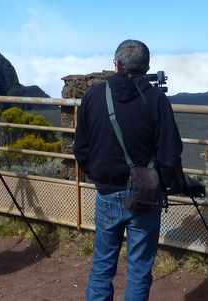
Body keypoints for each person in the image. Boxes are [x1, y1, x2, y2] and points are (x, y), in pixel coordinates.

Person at [75, 40, 186, 301]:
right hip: (145, 194)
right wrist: (161, 182)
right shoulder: (156, 99)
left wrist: (98, 176)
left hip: (107, 192)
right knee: (139, 268)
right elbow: (171, 152)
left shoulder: (93, 96)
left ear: (116, 65)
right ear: (146, 67)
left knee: (102, 266)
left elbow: (80, 147)